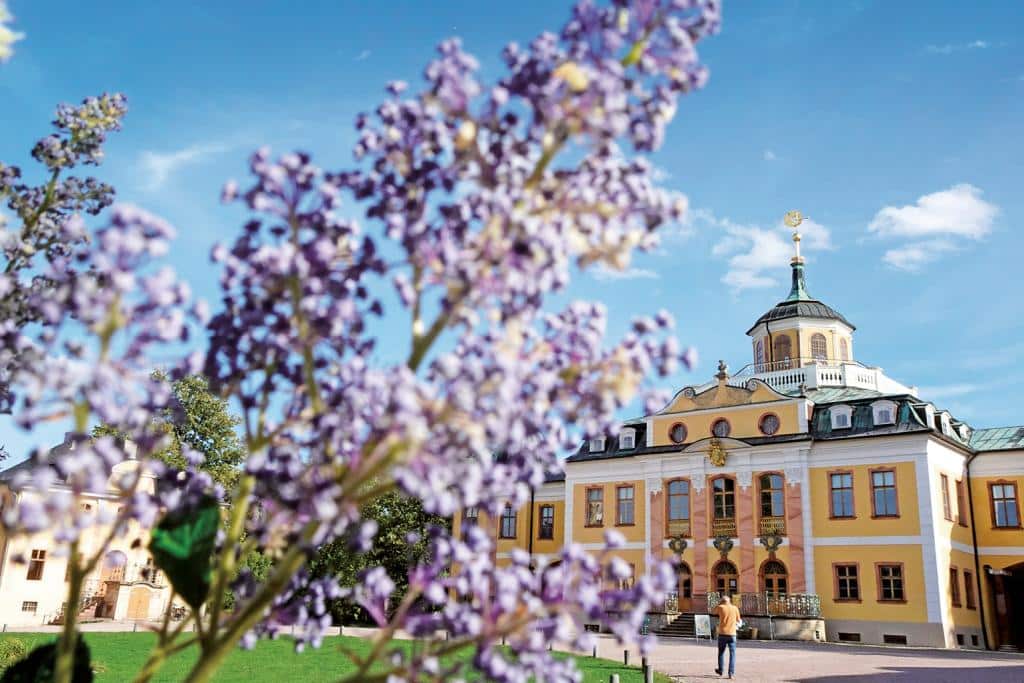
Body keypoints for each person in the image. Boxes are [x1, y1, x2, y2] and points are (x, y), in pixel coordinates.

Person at [713, 595, 741, 678]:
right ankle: (731, 673)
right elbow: (738, 620)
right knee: (732, 654)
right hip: (732, 634)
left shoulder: (720, 607)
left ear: (722, 601)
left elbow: (713, 611)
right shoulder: (735, 608)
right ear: (730, 601)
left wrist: (719, 604)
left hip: (722, 634)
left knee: (721, 653)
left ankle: (721, 670)